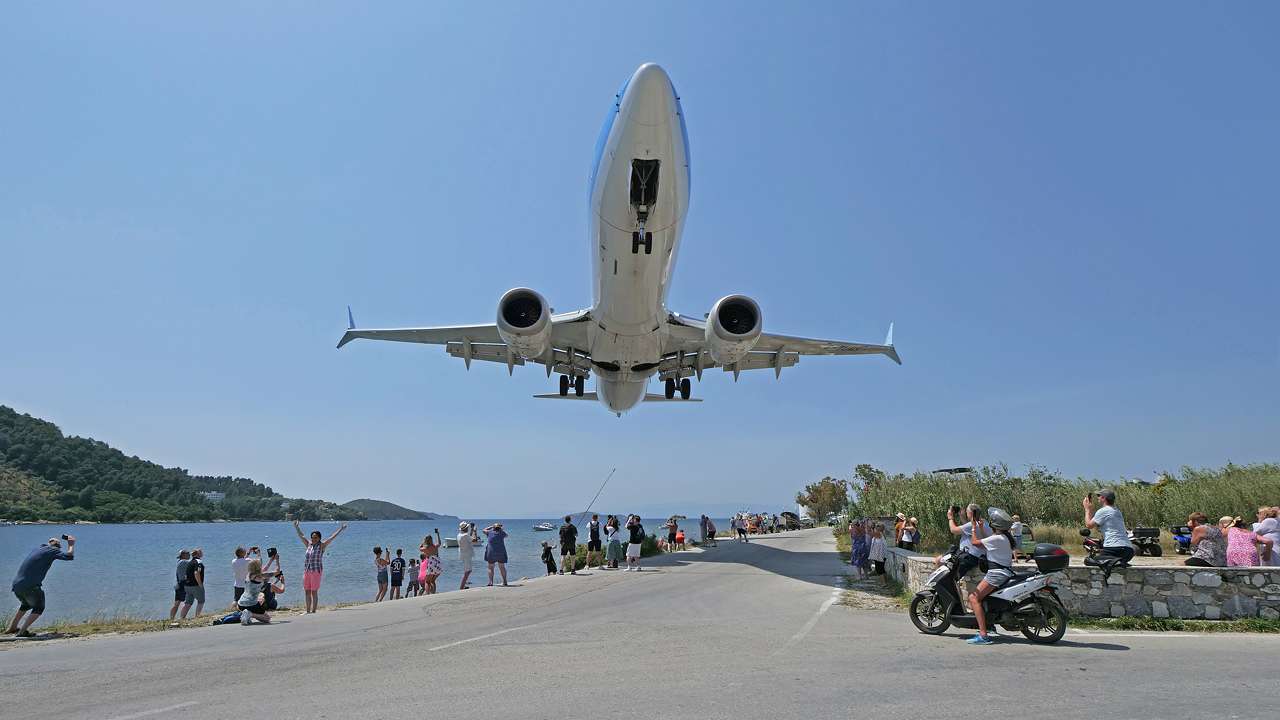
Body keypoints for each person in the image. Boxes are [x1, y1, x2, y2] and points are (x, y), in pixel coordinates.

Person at [7, 536, 75, 638]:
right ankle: (22, 631)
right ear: (57, 546)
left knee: (25, 605)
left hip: (17, 584)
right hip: (30, 586)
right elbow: (69, 556)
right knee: (39, 607)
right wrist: (71, 544)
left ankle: (13, 628)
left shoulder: (38, 549)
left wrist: (51, 541)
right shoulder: (53, 550)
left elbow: (48, 546)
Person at [966, 508, 1015, 646]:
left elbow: (975, 543)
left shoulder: (998, 538)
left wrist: (974, 528)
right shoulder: (1004, 538)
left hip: (996, 574)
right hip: (1004, 572)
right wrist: (982, 528)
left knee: (973, 598)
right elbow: (987, 542)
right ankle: (988, 624)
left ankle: (983, 635)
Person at [294, 520, 348, 614]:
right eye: (312, 537)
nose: (313, 539)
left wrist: (341, 529)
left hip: (316, 571)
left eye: (315, 537)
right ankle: (307, 611)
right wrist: (297, 527)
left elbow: (332, 538)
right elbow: (301, 535)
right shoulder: (309, 544)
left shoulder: (322, 545)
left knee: (314, 592)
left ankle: (313, 611)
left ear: (319, 538)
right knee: (307, 592)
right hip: (307, 570)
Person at [1083, 489, 1134, 569]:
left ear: (1104, 498)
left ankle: (1117, 562)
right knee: (1103, 560)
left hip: (1114, 548)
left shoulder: (1104, 511)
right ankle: (1118, 561)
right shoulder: (1116, 511)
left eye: (1099, 496)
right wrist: (1091, 508)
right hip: (1128, 550)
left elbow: (1089, 525)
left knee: (1090, 560)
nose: (1098, 498)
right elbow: (1094, 519)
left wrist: (1087, 509)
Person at [237, 559, 283, 625]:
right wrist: (277, 559)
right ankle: (250, 614)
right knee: (267, 618)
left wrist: (271, 560)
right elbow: (277, 571)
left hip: (241, 603)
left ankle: (246, 615)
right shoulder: (259, 577)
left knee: (261, 599)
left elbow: (264, 570)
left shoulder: (249, 576)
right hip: (251, 604)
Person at [180, 548, 206, 619]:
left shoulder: (190, 562)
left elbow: (186, 574)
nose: (202, 553)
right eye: (200, 552)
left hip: (187, 585)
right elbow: (196, 572)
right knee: (201, 601)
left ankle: (181, 617)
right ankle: (197, 616)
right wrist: (200, 583)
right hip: (195, 585)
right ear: (197, 554)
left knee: (187, 602)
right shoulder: (199, 562)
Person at [420, 529, 443, 595]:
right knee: (433, 581)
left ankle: (427, 594)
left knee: (427, 582)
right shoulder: (436, 547)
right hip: (438, 565)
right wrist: (438, 535)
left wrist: (423, 543)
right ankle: (433, 593)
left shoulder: (426, 549)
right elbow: (439, 543)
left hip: (431, 566)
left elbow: (420, 548)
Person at [457, 521, 479, 590]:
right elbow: (475, 540)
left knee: (467, 570)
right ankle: (462, 586)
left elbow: (469, 539)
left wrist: (471, 532)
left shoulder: (459, 535)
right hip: (467, 555)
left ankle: (462, 586)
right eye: (467, 527)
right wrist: (475, 532)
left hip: (463, 554)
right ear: (465, 528)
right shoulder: (465, 535)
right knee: (468, 571)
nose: (468, 528)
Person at [170, 549, 190, 620]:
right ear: (184, 555)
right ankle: (182, 617)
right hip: (182, 584)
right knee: (188, 601)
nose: (190, 555)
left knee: (177, 602)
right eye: (188, 553)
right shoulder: (183, 562)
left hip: (178, 584)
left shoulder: (180, 562)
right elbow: (193, 564)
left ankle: (171, 618)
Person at [867, 523, 887, 587]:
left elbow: (868, 532)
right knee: (879, 568)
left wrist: (866, 522)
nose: (877, 526)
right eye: (877, 525)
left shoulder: (879, 533)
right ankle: (884, 582)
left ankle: (885, 583)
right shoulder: (880, 533)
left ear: (882, 528)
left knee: (880, 568)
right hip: (879, 554)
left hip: (881, 554)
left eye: (878, 525)